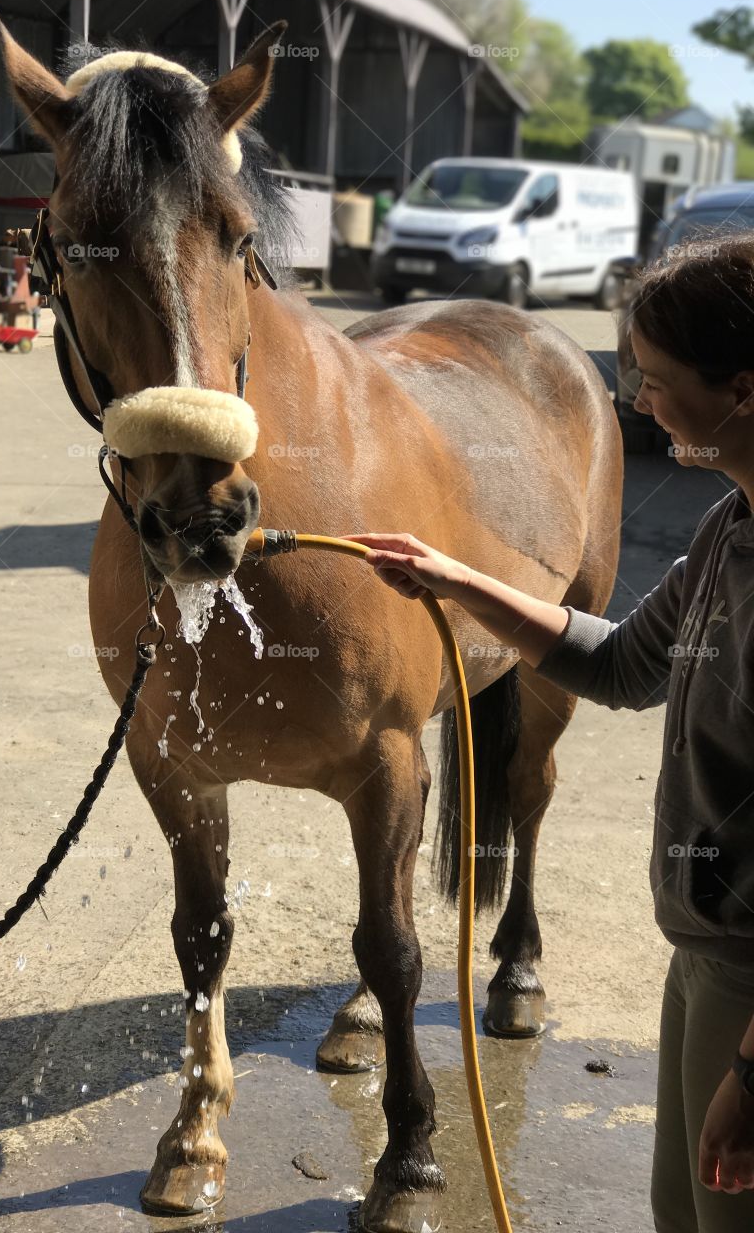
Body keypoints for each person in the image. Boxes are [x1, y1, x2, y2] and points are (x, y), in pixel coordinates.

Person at [345, 235, 754, 1233]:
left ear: (742, 387)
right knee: (682, 1213)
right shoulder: (727, 531)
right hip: (703, 951)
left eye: (653, 381)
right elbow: (622, 664)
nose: (637, 402)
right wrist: (458, 580)